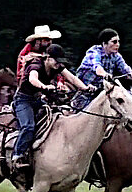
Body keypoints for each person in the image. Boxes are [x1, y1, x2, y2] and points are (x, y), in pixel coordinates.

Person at [10, 43, 91, 171]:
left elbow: (72, 78)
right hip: (23, 100)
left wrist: (86, 88)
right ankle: (17, 155)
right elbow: (32, 79)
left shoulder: (57, 67)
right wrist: (45, 87)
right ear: (47, 58)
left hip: (37, 100)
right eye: (56, 61)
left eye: (60, 62)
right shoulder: (35, 65)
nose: (59, 64)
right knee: (28, 126)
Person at [72, 28, 132, 109]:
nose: (118, 44)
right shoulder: (94, 52)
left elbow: (124, 67)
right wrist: (105, 74)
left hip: (101, 93)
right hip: (84, 94)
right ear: (104, 43)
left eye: (118, 41)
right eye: (114, 42)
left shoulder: (116, 56)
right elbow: (98, 68)